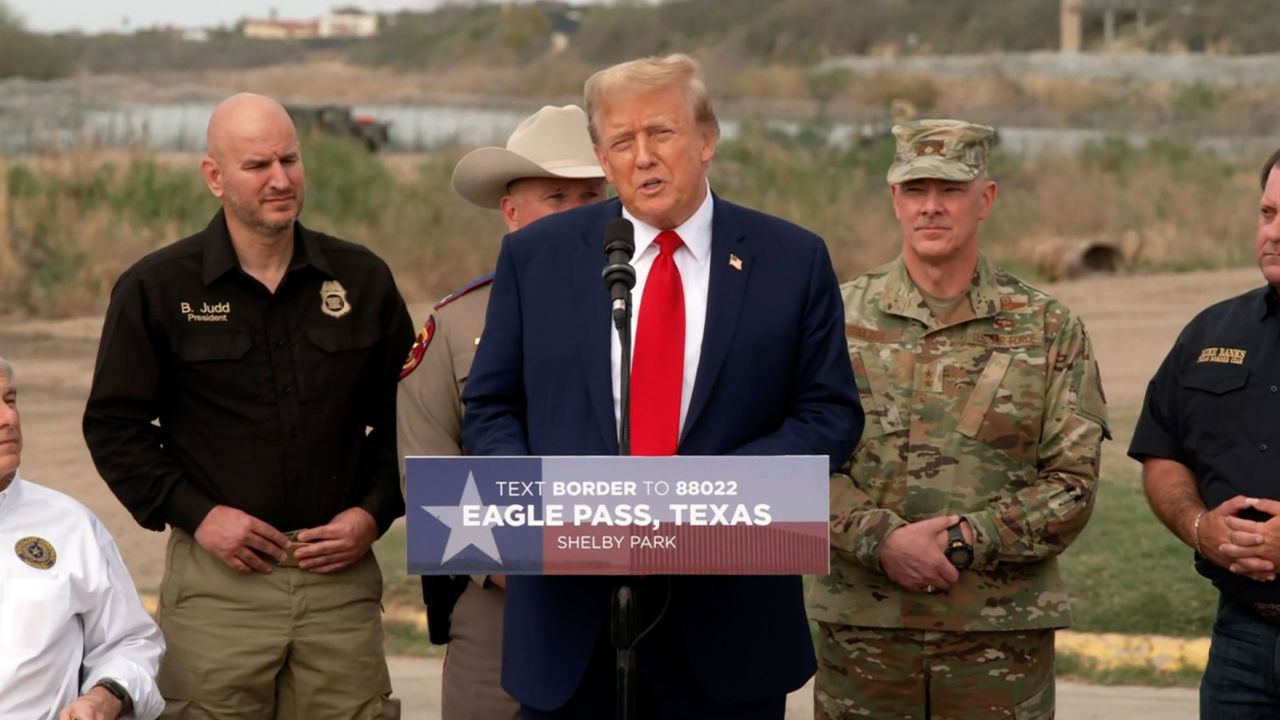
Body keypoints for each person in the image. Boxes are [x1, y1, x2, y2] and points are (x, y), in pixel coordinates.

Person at [460, 53, 862, 719]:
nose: (643, 156)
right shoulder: (538, 257)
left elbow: (830, 415)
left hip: (729, 628)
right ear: (603, 157)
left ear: (706, 139)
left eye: (662, 133)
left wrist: (707, 496)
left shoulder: (791, 260)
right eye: (622, 141)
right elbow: (493, 407)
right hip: (569, 628)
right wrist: (532, 503)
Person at [82, 93, 412, 719]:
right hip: (218, 589)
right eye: (258, 165)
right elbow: (113, 427)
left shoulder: (362, 279)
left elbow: (407, 418)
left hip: (338, 584)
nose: (281, 179)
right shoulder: (158, 287)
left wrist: (370, 515)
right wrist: (201, 516)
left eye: (290, 159)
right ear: (215, 177)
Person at [809, 119, 1110, 720]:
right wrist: (882, 539)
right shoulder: (832, 319)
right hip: (866, 637)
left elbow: (1072, 485)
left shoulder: (1048, 328)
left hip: (999, 642)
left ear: (986, 199)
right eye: (915, 190)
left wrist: (964, 541)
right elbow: (795, 464)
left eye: (949, 190)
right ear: (895, 199)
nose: (931, 208)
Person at [397, 104, 606, 720]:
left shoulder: (664, 314)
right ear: (511, 213)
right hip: (503, 606)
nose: (576, 213)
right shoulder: (459, 324)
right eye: (555, 197)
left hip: (644, 598)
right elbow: (427, 474)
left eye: (591, 195)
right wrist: (535, 568)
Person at [1131, 147, 1280, 717]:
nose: (1273, 232)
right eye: (1266, 213)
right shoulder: (1212, 331)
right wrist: (1200, 527)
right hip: (1241, 643)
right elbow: (1162, 449)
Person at [0, 356, 165, 720]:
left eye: (10, 400)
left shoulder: (70, 525)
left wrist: (106, 696)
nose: (8, 419)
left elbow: (131, 642)